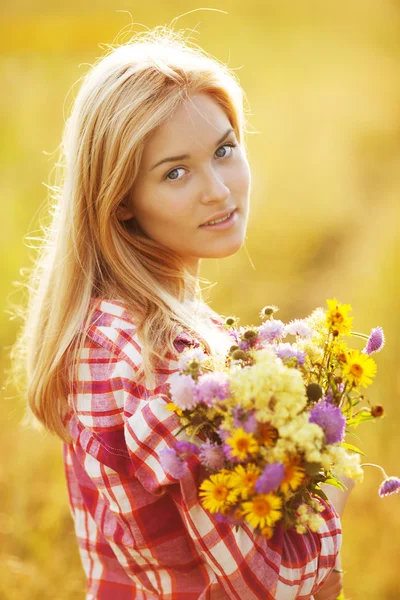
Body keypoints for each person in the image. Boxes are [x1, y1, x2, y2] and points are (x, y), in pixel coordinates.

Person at [12, 27, 353, 599]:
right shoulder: (168, 361)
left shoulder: (100, 326)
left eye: (224, 150)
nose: (219, 191)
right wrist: (334, 479)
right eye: (176, 172)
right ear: (119, 201)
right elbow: (270, 585)